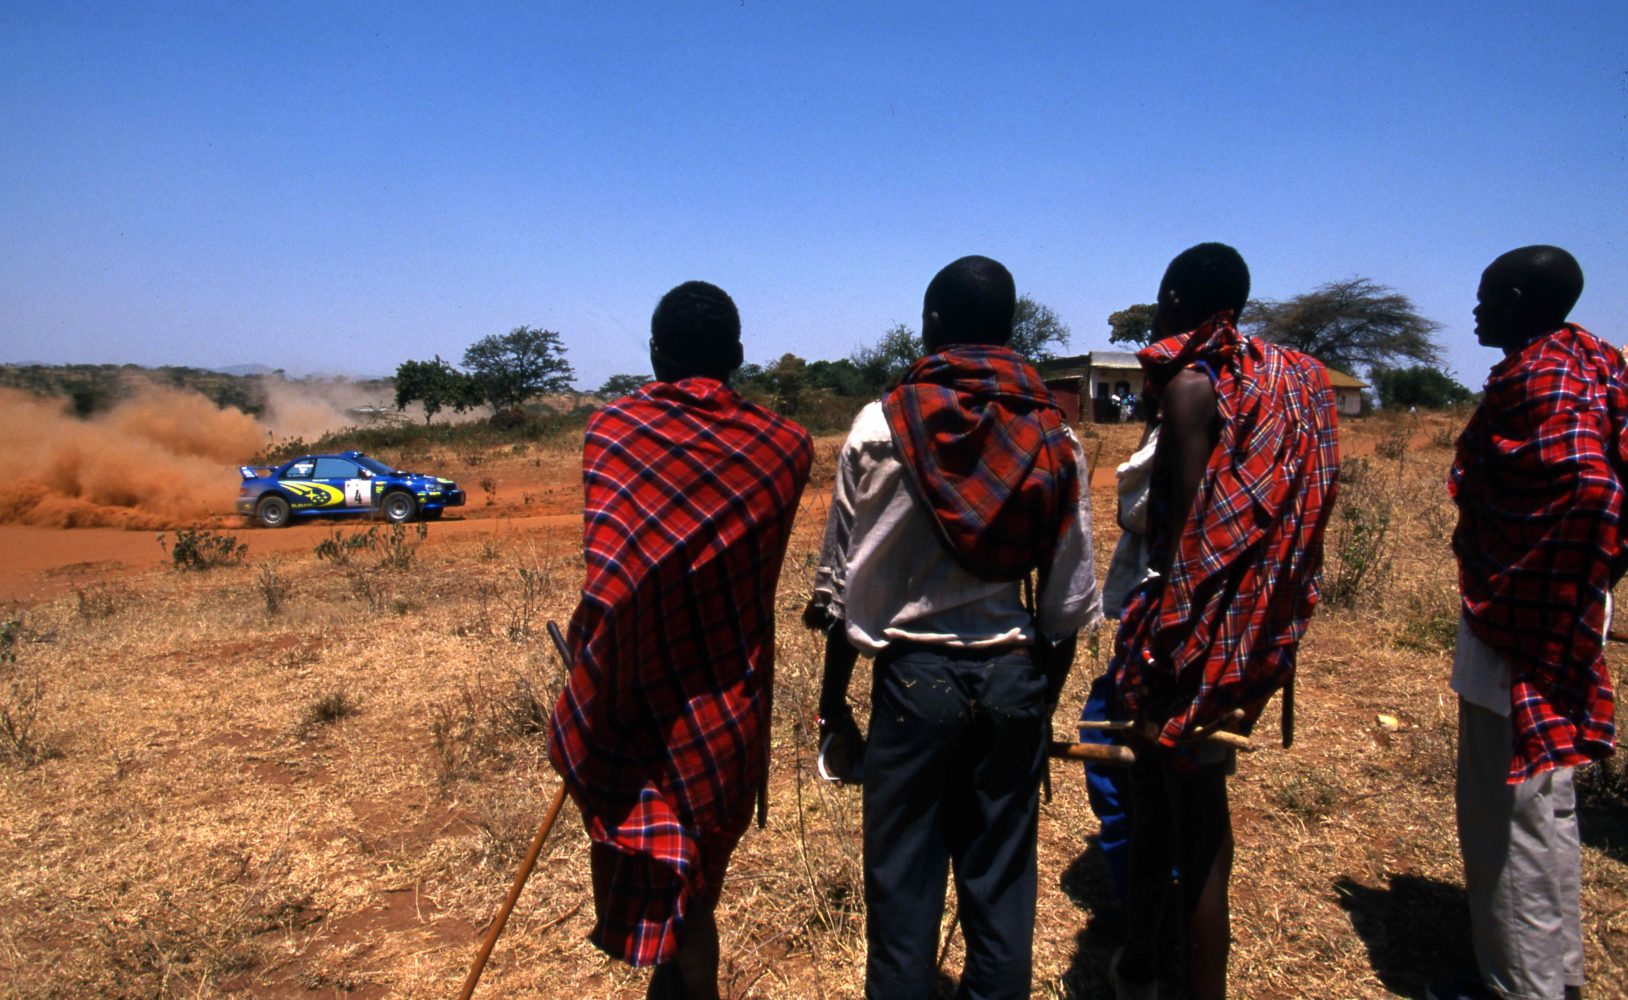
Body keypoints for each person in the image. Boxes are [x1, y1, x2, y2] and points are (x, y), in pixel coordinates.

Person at [807, 255, 1101, 999]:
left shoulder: (879, 425)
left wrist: (834, 703)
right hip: (1013, 680)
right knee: (999, 889)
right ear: (1008, 329)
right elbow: (1066, 606)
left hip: (911, 683)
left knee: (902, 890)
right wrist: (1038, 708)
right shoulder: (1053, 435)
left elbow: (841, 587)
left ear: (931, 325)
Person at [548, 281, 813, 1000]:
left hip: (630, 706)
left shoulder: (612, 431)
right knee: (697, 894)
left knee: (675, 890)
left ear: (655, 354)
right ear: (738, 355)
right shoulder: (787, 447)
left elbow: (612, 585)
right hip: (725, 719)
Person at [1107, 243, 1339, 1000]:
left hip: (1195, 639)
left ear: (1175, 300)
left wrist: (1164, 661)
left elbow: (1191, 549)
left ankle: (1183, 980)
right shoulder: (1301, 381)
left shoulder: (1191, 390)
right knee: (1163, 799)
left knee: (1193, 815)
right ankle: (1139, 960)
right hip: (1263, 626)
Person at [1428, 246, 1623, 1000]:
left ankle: (1521, 986)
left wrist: (1531, 586)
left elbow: (1593, 491)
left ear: (1516, 298)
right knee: (1542, 802)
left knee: (1508, 809)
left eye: (1485, 296)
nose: (1475, 310)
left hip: (1522, 624)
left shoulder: (1541, 381)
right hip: (1553, 612)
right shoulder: (1588, 364)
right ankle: (1546, 972)